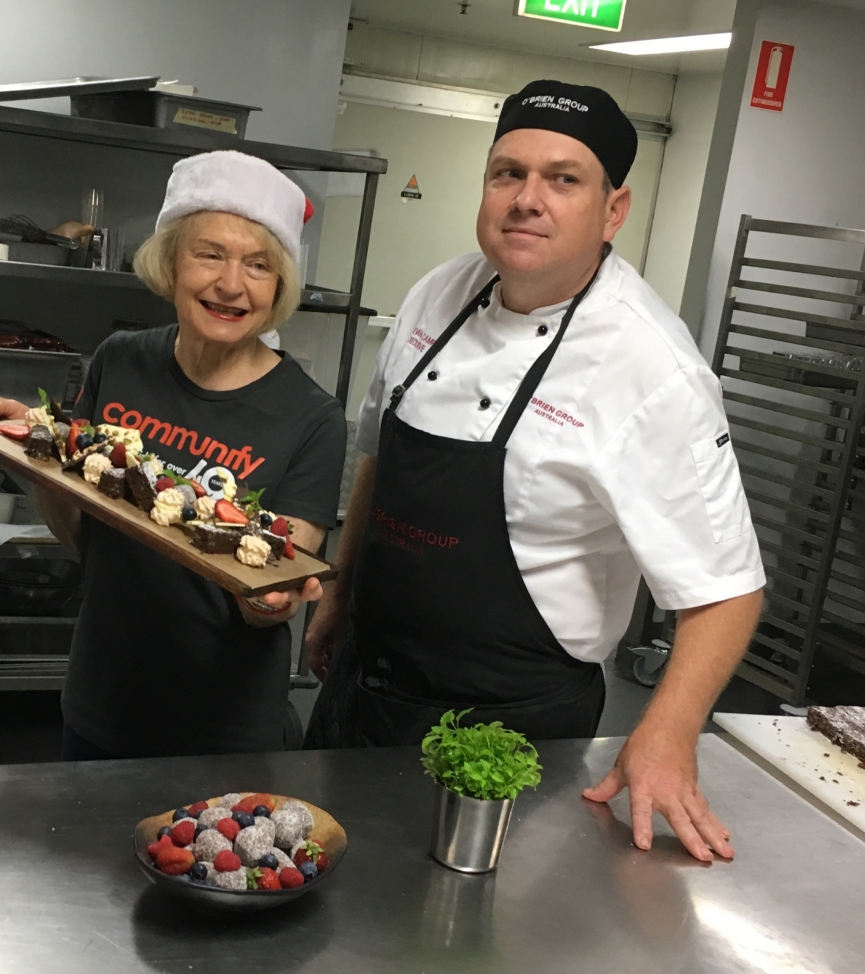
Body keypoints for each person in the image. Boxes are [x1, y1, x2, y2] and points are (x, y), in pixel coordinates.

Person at [304, 80, 765, 863]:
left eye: (563, 178)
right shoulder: (437, 293)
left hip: (509, 733)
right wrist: (343, 590)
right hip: (363, 687)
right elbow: (380, 451)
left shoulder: (653, 370)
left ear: (613, 211)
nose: (527, 198)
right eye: (508, 173)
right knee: (318, 886)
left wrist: (667, 732)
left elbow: (726, 587)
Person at [0, 150, 346, 758]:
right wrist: (40, 459)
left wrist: (268, 601)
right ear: (171, 263)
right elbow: (84, 538)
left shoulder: (312, 419)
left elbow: (271, 595)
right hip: (99, 707)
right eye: (210, 254)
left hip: (222, 735)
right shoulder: (120, 360)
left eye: (258, 265)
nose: (231, 284)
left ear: (279, 285)